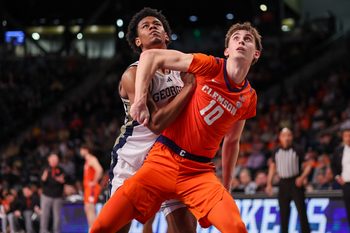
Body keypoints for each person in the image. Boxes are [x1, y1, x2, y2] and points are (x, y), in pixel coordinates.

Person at [91, 21, 262, 233]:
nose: (241, 41)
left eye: (248, 39)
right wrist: (140, 100)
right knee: (102, 226)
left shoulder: (248, 98)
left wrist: (226, 187)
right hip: (158, 157)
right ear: (226, 50)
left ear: (256, 54)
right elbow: (148, 57)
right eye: (236, 38)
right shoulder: (207, 65)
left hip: (198, 172)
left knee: (236, 227)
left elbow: (233, 141)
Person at [109, 7, 197, 233]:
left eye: (157, 24)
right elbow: (156, 123)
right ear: (138, 41)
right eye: (146, 26)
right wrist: (188, 88)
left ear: (167, 36)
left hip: (169, 156)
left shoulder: (182, 68)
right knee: (118, 228)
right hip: (133, 159)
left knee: (186, 230)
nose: (153, 27)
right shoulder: (133, 75)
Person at [265, 128, 312, 233]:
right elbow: (272, 167)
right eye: (284, 135)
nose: (286, 138)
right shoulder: (276, 151)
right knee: (284, 214)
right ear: (280, 137)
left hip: (295, 183)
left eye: (289, 135)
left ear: (292, 137)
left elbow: (309, 166)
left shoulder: (298, 149)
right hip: (282, 184)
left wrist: (302, 177)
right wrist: (269, 184)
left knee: (302, 212)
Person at [80, 144, 103, 231]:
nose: (80, 152)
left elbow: (99, 170)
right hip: (87, 188)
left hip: (92, 188)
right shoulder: (87, 161)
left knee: (90, 208)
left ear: (86, 150)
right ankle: (92, 228)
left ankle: (94, 230)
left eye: (81, 149)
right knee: (87, 208)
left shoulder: (92, 159)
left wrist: (94, 181)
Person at [40, 153, 65, 233]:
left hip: (57, 196)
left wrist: (58, 179)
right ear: (49, 160)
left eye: (56, 160)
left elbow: (63, 180)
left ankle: (56, 231)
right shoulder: (45, 168)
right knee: (45, 215)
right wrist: (45, 175)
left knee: (57, 216)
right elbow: (42, 180)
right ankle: (43, 231)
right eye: (52, 159)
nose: (54, 161)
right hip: (46, 195)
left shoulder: (61, 169)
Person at [331, 124, 350, 225]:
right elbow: (333, 165)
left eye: (349, 135)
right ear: (343, 137)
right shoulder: (339, 151)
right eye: (346, 136)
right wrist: (337, 177)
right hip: (346, 185)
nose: (348, 138)